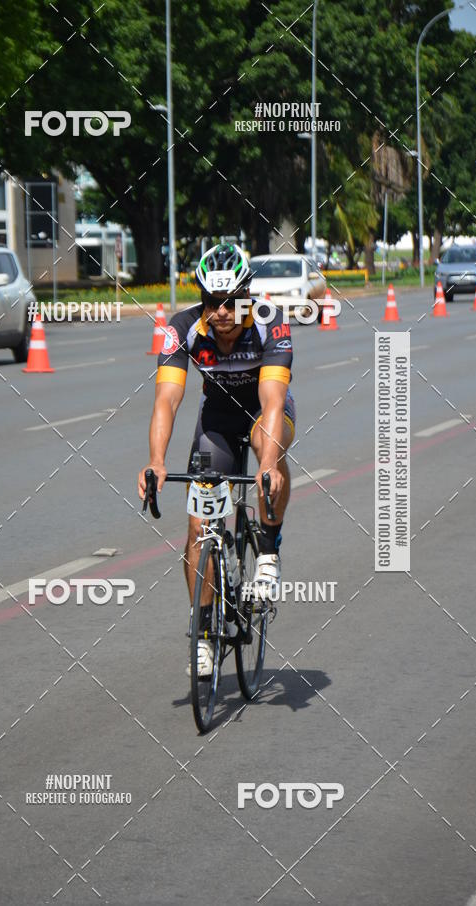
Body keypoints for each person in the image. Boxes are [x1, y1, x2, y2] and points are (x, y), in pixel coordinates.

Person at [137, 243, 295, 675]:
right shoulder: (183, 327)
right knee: (197, 527)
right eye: (211, 301)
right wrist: (156, 460)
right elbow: (167, 399)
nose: (221, 311)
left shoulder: (269, 323)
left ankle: (268, 549)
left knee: (268, 442)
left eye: (230, 301)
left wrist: (266, 466)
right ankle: (204, 634)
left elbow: (272, 398)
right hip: (218, 419)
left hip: (264, 411)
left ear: (247, 295)